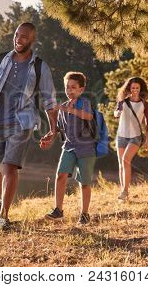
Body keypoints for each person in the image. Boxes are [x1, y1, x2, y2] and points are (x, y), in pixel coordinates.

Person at [0, 22, 58, 231]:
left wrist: (53, 129)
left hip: (22, 122)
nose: (18, 39)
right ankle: (2, 195)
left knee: (9, 167)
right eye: (17, 34)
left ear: (32, 40)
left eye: (24, 36)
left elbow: (49, 100)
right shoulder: (1, 59)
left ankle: (3, 217)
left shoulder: (39, 67)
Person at [43, 72, 96, 225]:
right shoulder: (63, 106)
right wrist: (49, 136)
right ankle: (58, 210)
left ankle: (84, 214)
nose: (70, 90)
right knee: (61, 175)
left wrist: (71, 110)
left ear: (81, 90)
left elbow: (89, 116)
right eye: (67, 87)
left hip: (86, 148)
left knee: (84, 182)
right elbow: (59, 128)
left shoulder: (84, 102)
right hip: (69, 146)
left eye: (73, 87)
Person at [113, 77, 148, 201]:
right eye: (133, 88)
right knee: (121, 164)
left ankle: (125, 191)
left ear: (141, 89)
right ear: (129, 88)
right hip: (121, 136)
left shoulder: (144, 104)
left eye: (137, 88)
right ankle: (123, 191)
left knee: (125, 161)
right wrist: (117, 113)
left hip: (135, 137)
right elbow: (116, 112)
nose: (135, 90)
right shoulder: (123, 102)